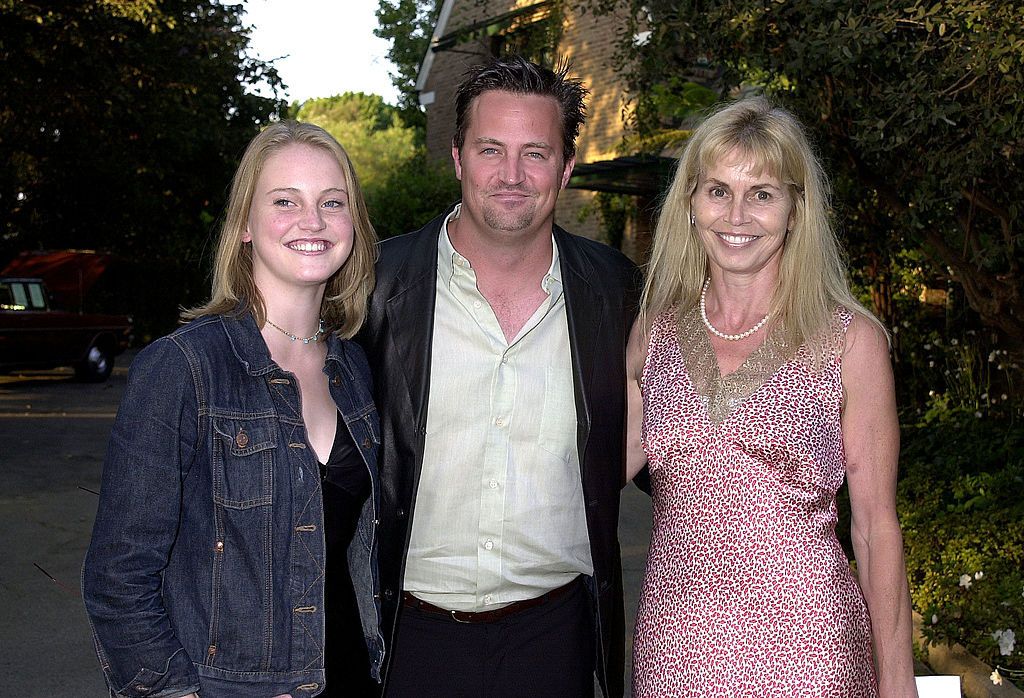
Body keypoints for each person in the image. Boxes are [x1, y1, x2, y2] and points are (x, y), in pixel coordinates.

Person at [357, 55, 641, 698]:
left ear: (566, 168)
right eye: (491, 149)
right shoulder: (374, 286)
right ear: (458, 157)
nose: (512, 175)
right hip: (407, 641)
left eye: (535, 153)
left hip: (558, 640)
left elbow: (671, 450)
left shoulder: (615, 291)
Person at [625, 96, 919, 697]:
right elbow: (598, 469)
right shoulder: (653, 329)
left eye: (761, 193)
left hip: (811, 654)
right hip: (674, 651)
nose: (736, 215)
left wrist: (898, 682)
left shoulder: (848, 340)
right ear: (690, 203)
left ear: (795, 209)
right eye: (717, 191)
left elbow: (875, 527)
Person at [83, 121, 383, 698]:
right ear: (245, 224)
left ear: (354, 224)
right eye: (284, 201)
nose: (312, 221)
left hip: (353, 679)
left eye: (332, 202)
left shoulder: (356, 369)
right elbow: (118, 578)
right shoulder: (183, 369)